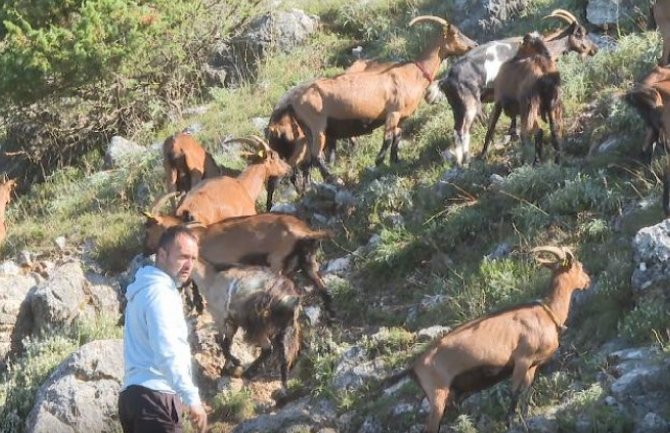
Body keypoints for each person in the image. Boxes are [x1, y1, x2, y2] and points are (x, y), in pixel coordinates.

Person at [119, 226, 207, 433]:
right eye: (183, 256)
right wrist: (191, 397)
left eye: (193, 259)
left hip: (133, 397)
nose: (189, 265)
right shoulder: (160, 294)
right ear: (161, 254)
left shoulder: (143, 289)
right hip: (155, 398)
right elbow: (167, 350)